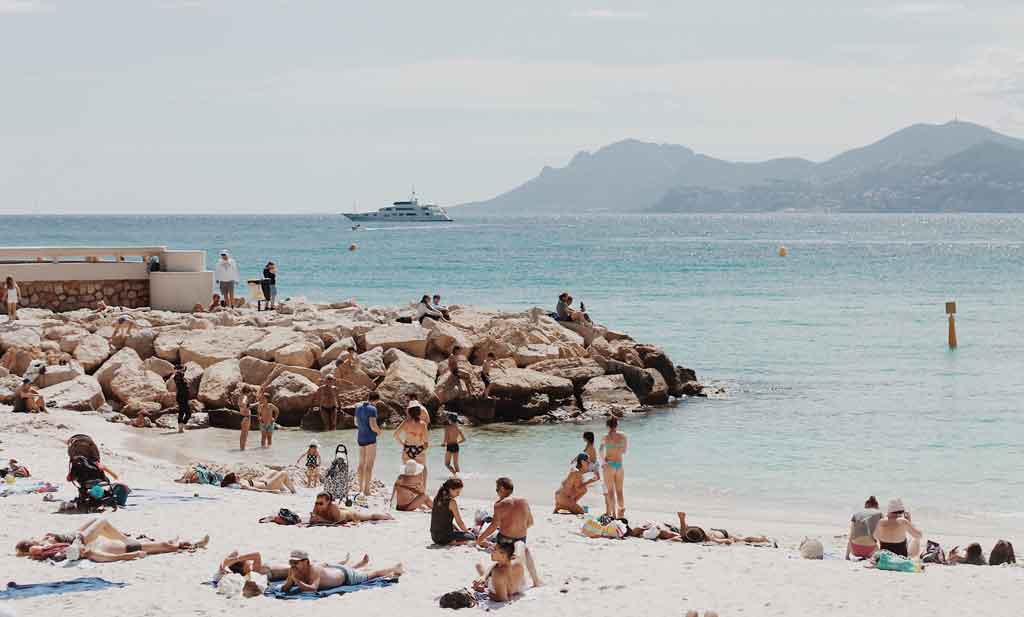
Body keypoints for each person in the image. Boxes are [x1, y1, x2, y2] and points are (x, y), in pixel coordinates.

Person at [15, 518, 208, 563]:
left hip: (96, 542)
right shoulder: (41, 549)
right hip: (99, 545)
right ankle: (190, 544)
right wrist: (130, 556)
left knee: (160, 545)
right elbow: (96, 556)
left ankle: (189, 543)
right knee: (162, 546)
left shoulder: (51, 544)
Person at [476, 477, 542, 586]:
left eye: (497, 489)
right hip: (521, 538)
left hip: (505, 539)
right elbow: (530, 522)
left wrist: (480, 538)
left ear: (502, 488)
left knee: (501, 563)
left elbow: (493, 526)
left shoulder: (499, 504)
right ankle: (536, 581)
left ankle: (490, 578)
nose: (497, 492)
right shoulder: (523, 501)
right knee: (525, 553)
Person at [282, 549, 402, 593]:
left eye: (296, 562)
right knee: (332, 568)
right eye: (291, 562)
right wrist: (289, 582)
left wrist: (297, 582)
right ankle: (360, 564)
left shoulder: (314, 570)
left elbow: (313, 589)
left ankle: (395, 568)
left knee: (373, 574)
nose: (293, 565)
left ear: (306, 562)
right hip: (334, 570)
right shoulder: (293, 570)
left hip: (347, 577)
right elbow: (285, 588)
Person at [217, 550, 371, 583]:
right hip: (296, 570)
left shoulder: (249, 572)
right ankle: (357, 566)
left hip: (293, 568)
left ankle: (354, 565)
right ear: (243, 567)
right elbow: (256, 554)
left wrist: (226, 563)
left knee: (328, 565)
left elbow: (234, 553)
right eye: (244, 562)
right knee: (327, 567)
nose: (247, 561)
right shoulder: (254, 570)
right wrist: (235, 559)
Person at [431, 478, 475, 546]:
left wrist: (459, 530)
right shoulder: (452, 502)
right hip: (445, 538)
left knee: (457, 529)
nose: (458, 494)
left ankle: (452, 541)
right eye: (457, 492)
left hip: (434, 537)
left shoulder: (436, 498)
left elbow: (441, 520)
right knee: (472, 537)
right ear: (450, 489)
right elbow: (459, 522)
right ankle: (453, 542)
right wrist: (467, 532)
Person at [394, 401, 429, 484]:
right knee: (422, 470)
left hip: (407, 448)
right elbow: (425, 441)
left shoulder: (406, 422)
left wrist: (402, 443)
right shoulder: (422, 424)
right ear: (419, 412)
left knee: (407, 471)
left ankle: (407, 488)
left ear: (409, 412)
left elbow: (395, 435)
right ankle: (422, 489)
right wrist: (426, 446)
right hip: (419, 449)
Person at [309, 492, 394, 525]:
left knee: (371, 516)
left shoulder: (333, 508)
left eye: (321, 503)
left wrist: (321, 519)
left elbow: (336, 522)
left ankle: (388, 516)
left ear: (328, 502)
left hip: (349, 515)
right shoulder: (316, 505)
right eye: (317, 503)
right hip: (342, 510)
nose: (318, 505)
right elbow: (312, 520)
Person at [600, 416, 628, 518]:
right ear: (617, 425)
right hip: (619, 465)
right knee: (620, 491)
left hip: (609, 465)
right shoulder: (623, 436)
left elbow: (600, 450)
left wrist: (603, 462)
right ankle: (621, 514)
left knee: (611, 491)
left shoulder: (605, 437)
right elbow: (624, 451)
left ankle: (614, 515)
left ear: (607, 425)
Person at [355, 392, 381, 495]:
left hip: (360, 437)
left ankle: (360, 488)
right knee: (369, 464)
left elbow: (356, 423)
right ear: (376, 400)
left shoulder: (358, 407)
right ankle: (367, 490)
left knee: (361, 463)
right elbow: (373, 425)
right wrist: (379, 432)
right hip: (370, 438)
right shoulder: (372, 409)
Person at [846, 496, 882, 560]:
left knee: (851, 538)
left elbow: (851, 535)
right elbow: (880, 534)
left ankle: (847, 556)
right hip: (870, 551)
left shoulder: (856, 514)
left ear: (865, 506)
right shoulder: (879, 514)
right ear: (877, 506)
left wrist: (847, 554)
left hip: (854, 550)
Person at [221, 469, 297, 494]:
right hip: (267, 486)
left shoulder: (239, 481)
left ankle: (283, 489)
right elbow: (255, 490)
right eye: (236, 476)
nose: (238, 476)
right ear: (234, 480)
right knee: (284, 473)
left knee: (273, 471)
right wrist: (271, 491)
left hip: (262, 481)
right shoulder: (242, 485)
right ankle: (294, 492)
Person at [233, 386, 256, 451]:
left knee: (243, 433)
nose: (250, 394)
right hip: (246, 417)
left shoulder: (240, 397)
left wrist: (244, 406)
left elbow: (242, 404)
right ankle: (243, 448)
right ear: (248, 392)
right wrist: (255, 404)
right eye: (250, 392)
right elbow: (244, 403)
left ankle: (242, 448)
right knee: (245, 433)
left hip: (242, 416)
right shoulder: (245, 397)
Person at [172, 366, 192, 433]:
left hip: (185, 398)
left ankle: (181, 427)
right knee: (183, 412)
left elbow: (182, 374)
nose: (183, 371)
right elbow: (178, 377)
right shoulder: (177, 377)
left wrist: (183, 370)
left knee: (188, 413)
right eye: (181, 370)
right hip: (181, 398)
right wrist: (178, 371)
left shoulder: (181, 377)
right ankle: (180, 429)